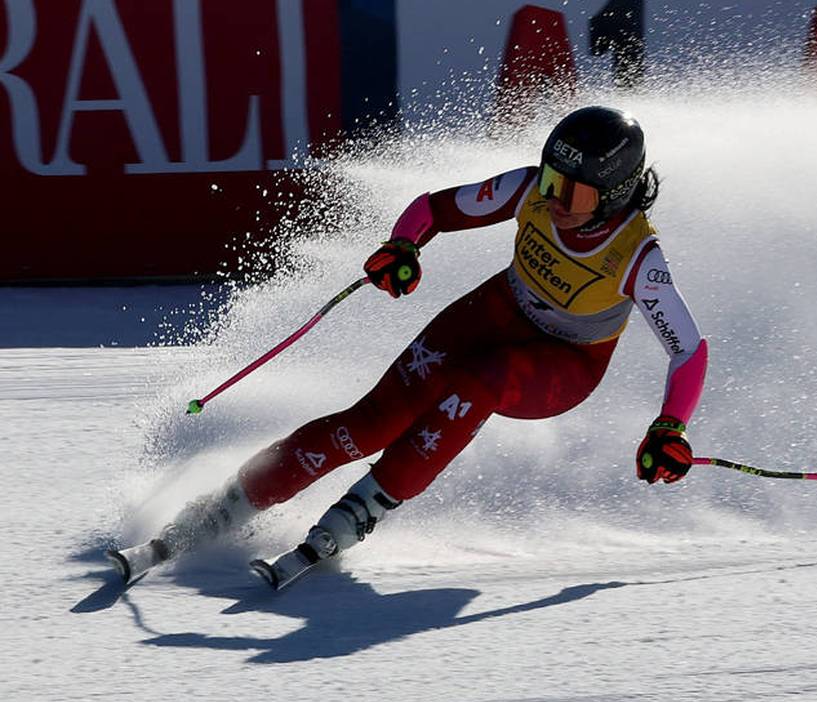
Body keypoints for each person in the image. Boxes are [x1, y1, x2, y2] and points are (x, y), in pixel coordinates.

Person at [110, 106, 709, 587]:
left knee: (483, 379)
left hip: (565, 363)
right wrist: (403, 245)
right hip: (499, 310)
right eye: (551, 180)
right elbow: (433, 208)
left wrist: (669, 428)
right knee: (369, 422)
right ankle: (224, 506)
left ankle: (362, 509)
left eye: (572, 194)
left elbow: (688, 348)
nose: (553, 200)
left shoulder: (636, 256)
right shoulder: (527, 190)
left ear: (614, 195)